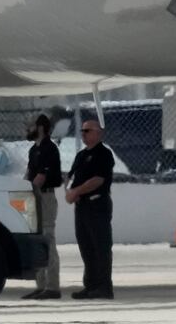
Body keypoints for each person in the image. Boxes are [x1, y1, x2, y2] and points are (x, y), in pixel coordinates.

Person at [65, 118, 114, 299]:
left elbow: (98, 180)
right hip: (82, 206)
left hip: (97, 204)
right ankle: (91, 285)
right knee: (86, 247)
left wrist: (76, 190)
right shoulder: (81, 155)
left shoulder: (103, 154)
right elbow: (71, 176)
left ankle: (103, 286)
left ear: (98, 133)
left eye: (88, 131)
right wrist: (69, 191)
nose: (84, 134)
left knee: (100, 246)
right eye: (82, 131)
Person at [23, 113, 63, 300]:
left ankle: (52, 286)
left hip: (45, 197)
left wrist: (27, 190)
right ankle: (40, 285)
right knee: (36, 240)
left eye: (31, 126)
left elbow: (40, 177)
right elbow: (29, 174)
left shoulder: (49, 149)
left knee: (47, 239)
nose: (27, 129)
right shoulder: (33, 150)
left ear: (40, 127)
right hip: (33, 198)